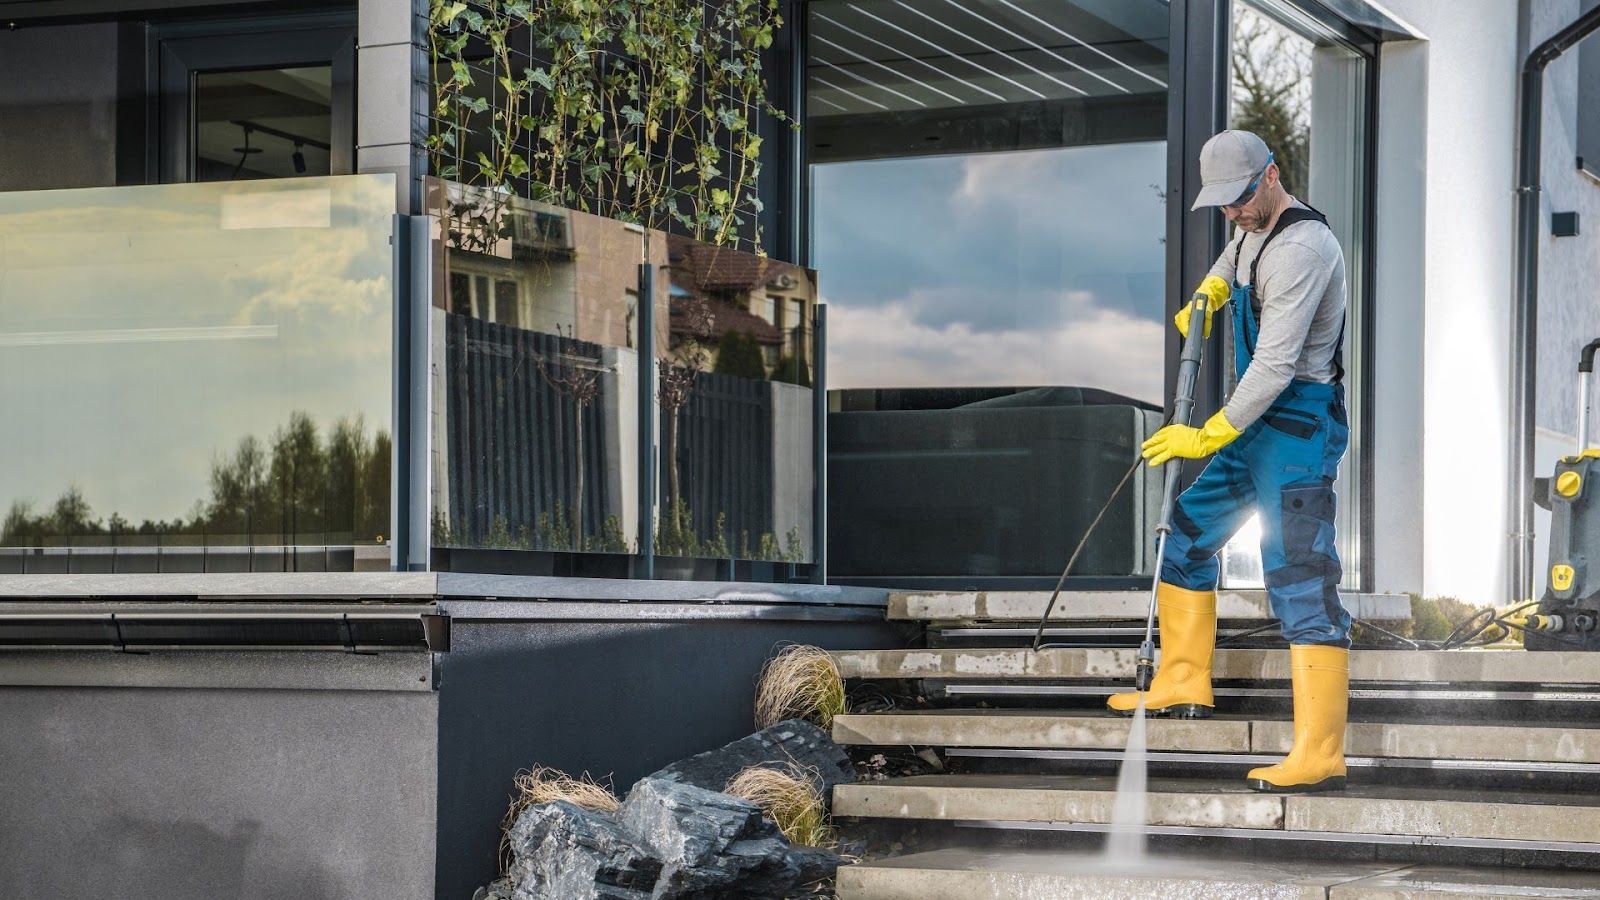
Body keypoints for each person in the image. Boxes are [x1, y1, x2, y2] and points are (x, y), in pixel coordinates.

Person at [1106, 129, 1351, 794]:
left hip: (1296, 426)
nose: (1234, 214)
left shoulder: (1302, 246)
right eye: (1223, 206)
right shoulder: (1248, 228)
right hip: (1254, 426)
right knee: (1186, 535)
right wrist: (1209, 292)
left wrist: (1207, 434)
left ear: (1271, 177)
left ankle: (1320, 751)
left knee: (1299, 572)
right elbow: (1230, 261)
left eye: (1241, 199)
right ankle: (1184, 679)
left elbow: (1273, 365)